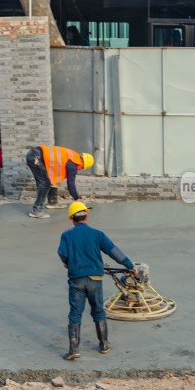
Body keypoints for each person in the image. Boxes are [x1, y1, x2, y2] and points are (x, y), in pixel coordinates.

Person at [57, 201, 136, 360]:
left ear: (72, 219)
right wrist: (129, 265)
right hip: (95, 279)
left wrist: (68, 262)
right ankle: (104, 345)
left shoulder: (66, 235)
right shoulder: (97, 234)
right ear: (86, 216)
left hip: (76, 279)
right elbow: (114, 251)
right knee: (98, 310)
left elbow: (62, 252)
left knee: (75, 313)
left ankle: (74, 350)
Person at [25, 145, 94, 219]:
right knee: (44, 183)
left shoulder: (74, 156)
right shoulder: (73, 164)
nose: (80, 169)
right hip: (35, 157)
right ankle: (36, 211)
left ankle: (52, 202)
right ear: (83, 163)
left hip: (36, 154)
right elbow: (71, 185)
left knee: (50, 179)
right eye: (82, 167)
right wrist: (77, 199)